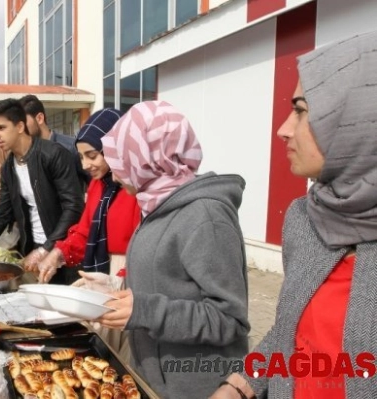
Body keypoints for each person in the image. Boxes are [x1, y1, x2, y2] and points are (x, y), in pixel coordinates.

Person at [211, 30, 377, 399]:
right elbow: (288, 334)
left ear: (361, 121)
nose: (284, 129)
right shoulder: (305, 217)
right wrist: (239, 386)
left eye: (301, 111)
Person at [96, 101, 249, 399]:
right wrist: (115, 286)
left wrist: (145, 311)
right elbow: (169, 283)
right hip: (153, 380)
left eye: (121, 161)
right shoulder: (156, 205)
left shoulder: (205, 216)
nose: (114, 176)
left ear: (147, 158)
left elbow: (229, 319)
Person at [35, 108, 141, 362]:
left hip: (129, 276)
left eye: (92, 156)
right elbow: (85, 231)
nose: (85, 165)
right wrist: (58, 253)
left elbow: (145, 243)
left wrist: (120, 281)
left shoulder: (135, 186)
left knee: (120, 357)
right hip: (100, 274)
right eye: (81, 157)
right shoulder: (97, 185)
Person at [0, 99, 84, 285]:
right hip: (33, 248)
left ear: (20, 126)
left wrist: (46, 248)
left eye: (1, 128)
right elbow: (2, 215)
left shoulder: (53, 154)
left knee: (66, 306)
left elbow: (74, 207)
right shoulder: (9, 168)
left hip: (63, 249)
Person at [20, 94, 89, 187]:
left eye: (23, 122)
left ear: (40, 118)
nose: (20, 128)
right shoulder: (26, 153)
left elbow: (94, 183)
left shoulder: (71, 147)